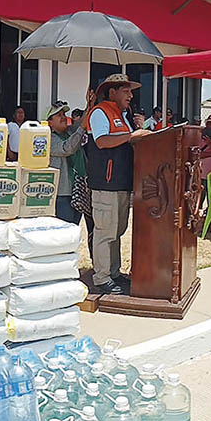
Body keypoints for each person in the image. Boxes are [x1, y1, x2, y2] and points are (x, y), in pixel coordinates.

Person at [85, 73, 153, 295]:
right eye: (126, 91)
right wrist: (131, 136)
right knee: (105, 231)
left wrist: (136, 130)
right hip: (105, 184)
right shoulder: (99, 112)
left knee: (117, 230)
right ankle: (102, 276)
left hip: (122, 183)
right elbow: (102, 141)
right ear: (111, 92)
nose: (131, 96)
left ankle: (114, 272)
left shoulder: (124, 116)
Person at [48, 100, 88, 228]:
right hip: (62, 194)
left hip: (78, 190)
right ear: (50, 122)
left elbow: (82, 122)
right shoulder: (48, 138)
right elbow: (67, 148)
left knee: (74, 229)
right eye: (59, 115)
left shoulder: (69, 132)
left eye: (64, 115)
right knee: (64, 231)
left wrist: (90, 103)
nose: (64, 118)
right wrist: (81, 128)